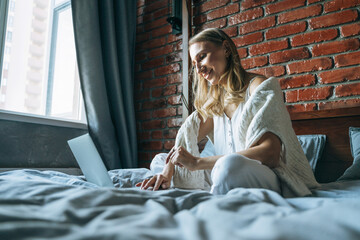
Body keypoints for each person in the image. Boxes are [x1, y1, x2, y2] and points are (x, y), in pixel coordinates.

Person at [136, 28, 319, 197]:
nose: (198, 70)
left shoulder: (259, 87)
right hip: (224, 171)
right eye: (194, 63)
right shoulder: (214, 103)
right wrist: (168, 170)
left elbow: (269, 154)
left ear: (225, 49)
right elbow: (185, 139)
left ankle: (219, 187)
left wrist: (197, 163)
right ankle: (217, 182)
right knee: (160, 160)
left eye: (202, 57)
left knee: (228, 166)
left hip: (263, 174)